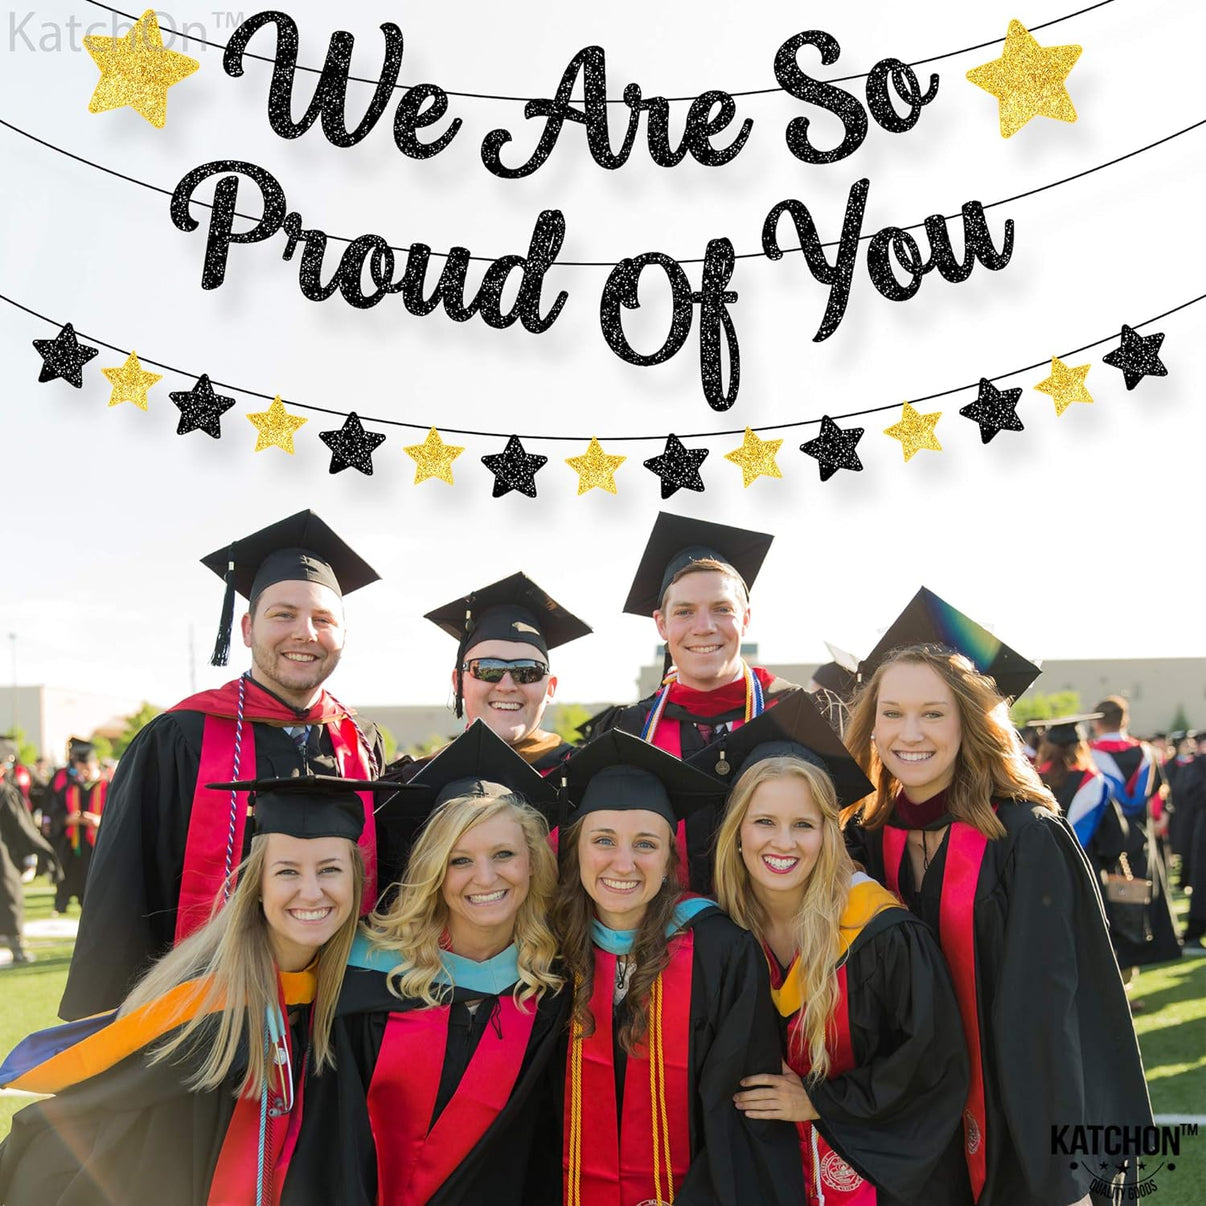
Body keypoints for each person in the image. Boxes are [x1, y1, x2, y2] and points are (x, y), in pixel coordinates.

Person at [843, 625, 1152, 1206]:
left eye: (933, 713)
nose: (910, 733)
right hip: (910, 1131)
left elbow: (1052, 1018)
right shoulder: (865, 837)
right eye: (893, 713)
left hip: (1015, 1127)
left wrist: (1067, 1176)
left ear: (969, 721)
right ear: (872, 725)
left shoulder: (1025, 839)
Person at [0, 775, 392, 1205]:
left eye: (330, 869)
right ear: (257, 886)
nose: (312, 891)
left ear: (357, 879)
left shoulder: (355, 994)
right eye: (287, 871)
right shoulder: (206, 1013)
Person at [60, 510, 385, 1020]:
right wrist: (115, 1026)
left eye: (323, 619)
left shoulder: (361, 742)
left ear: (343, 633)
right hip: (206, 1016)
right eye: (283, 615)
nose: (305, 633)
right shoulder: (178, 738)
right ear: (248, 628)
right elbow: (123, 892)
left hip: (339, 1018)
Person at [282, 723, 568, 1205]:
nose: (485, 878)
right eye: (459, 860)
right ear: (433, 870)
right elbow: (332, 1144)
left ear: (533, 862)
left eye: (504, 854)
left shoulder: (554, 985)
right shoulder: (366, 977)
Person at [709, 704, 968, 1206]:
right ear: (737, 832)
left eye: (804, 825)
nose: (783, 842)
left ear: (828, 834)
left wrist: (820, 1102)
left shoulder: (881, 933)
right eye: (764, 821)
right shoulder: (724, 934)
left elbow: (932, 1066)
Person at [555, 729, 806, 1205]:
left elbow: (739, 1120)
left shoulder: (722, 952)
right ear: (576, 849)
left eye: (645, 844)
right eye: (603, 840)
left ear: (671, 857)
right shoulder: (550, 953)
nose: (623, 864)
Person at [603, 513, 803, 889]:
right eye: (684, 612)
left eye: (722, 609)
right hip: (667, 922)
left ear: (746, 618)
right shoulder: (631, 730)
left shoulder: (792, 714)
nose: (704, 627)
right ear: (661, 624)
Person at [390, 572, 592, 780]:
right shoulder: (415, 779)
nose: (507, 685)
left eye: (528, 672)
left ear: (550, 688)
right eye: (487, 669)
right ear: (458, 683)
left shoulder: (587, 777)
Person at [1088, 697, 1181, 965]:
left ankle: (1115, 958)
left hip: (1105, 841)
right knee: (1144, 892)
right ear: (1125, 720)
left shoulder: (1090, 756)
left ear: (1097, 723)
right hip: (1141, 839)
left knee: (1108, 899)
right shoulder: (1147, 754)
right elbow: (1156, 793)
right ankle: (1147, 951)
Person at [1, 759, 58, 965]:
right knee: (10, 898)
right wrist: (35, 852)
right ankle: (17, 949)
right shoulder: (5, 792)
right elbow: (21, 827)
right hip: (4, 857)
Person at [44, 739, 107, 914]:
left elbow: (120, 813)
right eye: (80, 769)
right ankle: (61, 904)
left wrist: (100, 821)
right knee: (69, 875)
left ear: (95, 763)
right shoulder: (70, 786)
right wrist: (68, 819)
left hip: (99, 845)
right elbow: (54, 811)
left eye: (87, 768)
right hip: (73, 844)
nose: (83, 773)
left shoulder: (109, 786)